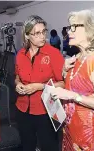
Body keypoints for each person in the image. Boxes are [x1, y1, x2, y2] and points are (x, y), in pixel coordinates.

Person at [48, 9, 94, 151]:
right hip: (70, 126)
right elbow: (73, 86)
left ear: (90, 29)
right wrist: (64, 71)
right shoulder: (77, 57)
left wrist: (72, 96)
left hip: (87, 131)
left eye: (73, 27)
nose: (68, 31)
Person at [15, 15, 65, 151]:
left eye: (44, 32)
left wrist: (40, 86)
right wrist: (17, 83)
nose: (42, 36)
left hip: (46, 110)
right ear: (27, 36)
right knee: (27, 144)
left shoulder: (53, 54)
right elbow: (17, 76)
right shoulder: (20, 54)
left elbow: (63, 83)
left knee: (49, 145)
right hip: (23, 108)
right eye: (37, 33)